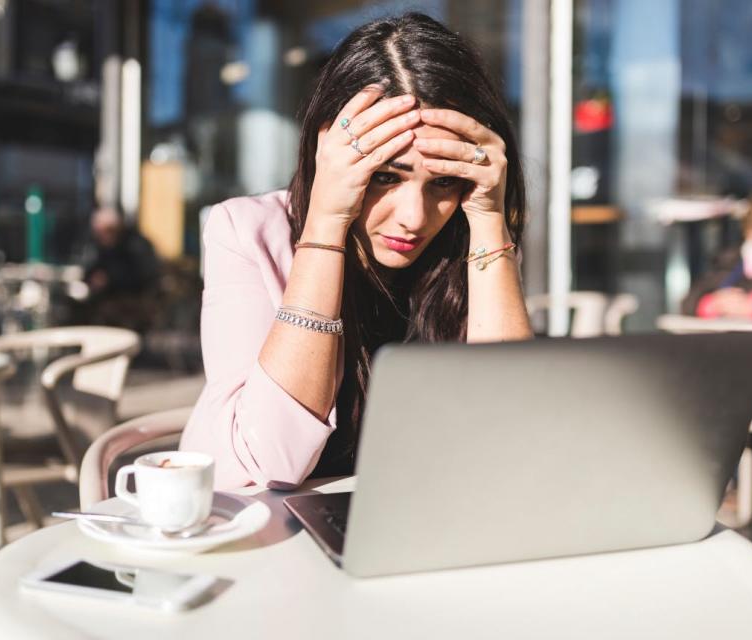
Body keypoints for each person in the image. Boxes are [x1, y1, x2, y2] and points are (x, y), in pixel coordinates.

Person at [180, 13, 533, 490]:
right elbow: (269, 460)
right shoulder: (245, 232)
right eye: (385, 176)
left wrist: (491, 221)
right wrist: (326, 221)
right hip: (267, 534)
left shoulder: (472, 239)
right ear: (328, 152)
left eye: (444, 181)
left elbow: (511, 437)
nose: (414, 216)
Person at [75, 206, 160, 330]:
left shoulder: (136, 245)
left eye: (105, 231)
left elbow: (145, 276)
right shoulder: (98, 246)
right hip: (102, 299)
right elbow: (89, 269)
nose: (101, 236)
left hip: (132, 301)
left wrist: (110, 279)